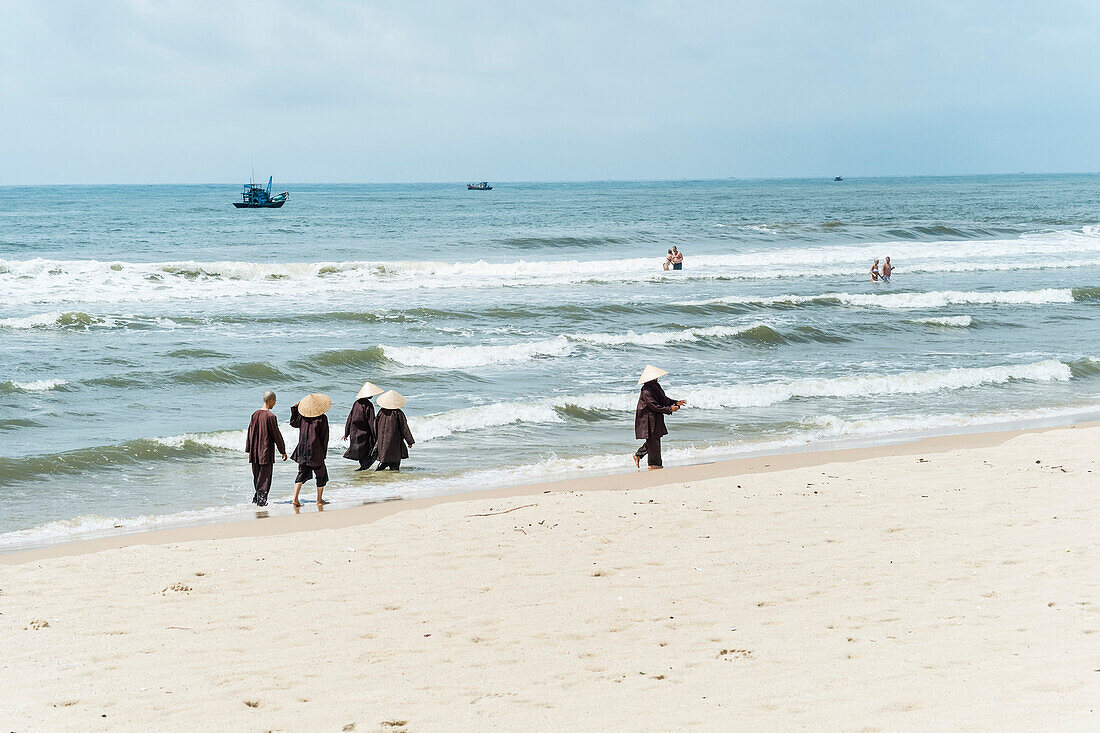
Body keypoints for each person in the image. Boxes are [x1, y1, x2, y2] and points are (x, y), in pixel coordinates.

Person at [632, 365, 685, 470]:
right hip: (648, 418)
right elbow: (654, 405)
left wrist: (675, 402)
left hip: (655, 417)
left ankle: (639, 455)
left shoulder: (655, 386)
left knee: (654, 439)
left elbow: (663, 400)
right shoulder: (646, 390)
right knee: (653, 441)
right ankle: (654, 465)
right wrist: (670, 409)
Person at [245, 390, 287, 506]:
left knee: (257, 477)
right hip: (265, 452)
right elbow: (276, 435)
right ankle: (261, 503)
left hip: (254, 452)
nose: (275, 404)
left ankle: (256, 501)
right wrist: (282, 451)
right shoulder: (271, 417)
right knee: (265, 479)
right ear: (271, 401)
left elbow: (250, 432)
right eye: (275, 401)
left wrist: (249, 448)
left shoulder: (255, 414)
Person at [290, 393, 331, 507]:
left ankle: (295, 499)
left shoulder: (302, 417)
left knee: (301, 473)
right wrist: (323, 454)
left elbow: (293, 423)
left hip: (302, 450)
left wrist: (294, 409)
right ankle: (319, 500)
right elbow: (324, 438)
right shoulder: (322, 418)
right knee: (321, 475)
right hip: (315, 451)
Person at [343, 381, 383, 471]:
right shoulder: (368, 405)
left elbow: (349, 418)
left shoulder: (356, 403)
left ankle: (363, 467)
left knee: (360, 450)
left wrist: (346, 433)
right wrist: (375, 435)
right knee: (366, 450)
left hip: (354, 432)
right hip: (364, 432)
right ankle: (364, 467)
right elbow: (371, 421)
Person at [374, 390, 415, 471]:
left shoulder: (381, 412)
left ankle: (377, 476)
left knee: (384, 460)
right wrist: (409, 441)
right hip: (395, 441)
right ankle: (394, 481)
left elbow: (375, 425)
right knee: (395, 464)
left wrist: (377, 437)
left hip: (382, 441)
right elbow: (404, 428)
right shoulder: (398, 413)